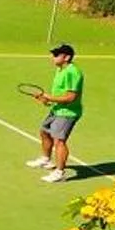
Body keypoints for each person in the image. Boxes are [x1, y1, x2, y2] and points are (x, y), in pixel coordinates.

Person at [26, 42, 83, 183]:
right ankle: (46, 159)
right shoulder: (60, 70)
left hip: (68, 113)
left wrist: (48, 97)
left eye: (57, 55)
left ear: (67, 57)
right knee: (44, 132)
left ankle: (59, 172)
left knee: (59, 141)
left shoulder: (72, 72)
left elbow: (71, 97)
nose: (53, 57)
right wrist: (47, 100)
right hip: (58, 109)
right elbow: (60, 95)